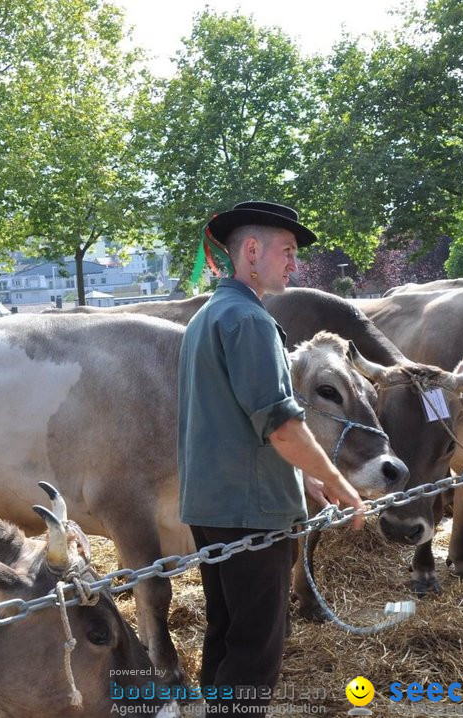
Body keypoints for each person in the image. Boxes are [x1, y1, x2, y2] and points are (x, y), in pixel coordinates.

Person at [177, 200, 366, 713]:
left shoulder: (208, 316)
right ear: (252, 251)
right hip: (251, 514)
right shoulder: (249, 321)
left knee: (225, 630)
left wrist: (302, 480)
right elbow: (281, 425)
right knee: (257, 645)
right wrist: (339, 481)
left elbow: (233, 423)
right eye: (287, 251)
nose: (294, 264)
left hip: (212, 505)